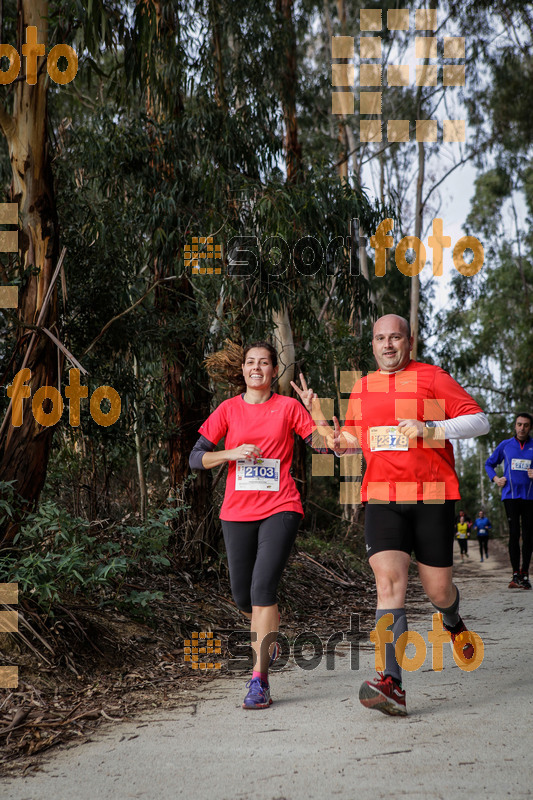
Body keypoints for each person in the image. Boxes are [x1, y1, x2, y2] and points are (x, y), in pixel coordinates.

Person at [294, 314, 490, 716]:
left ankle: (452, 620)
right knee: (389, 586)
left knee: (438, 592)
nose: (387, 344)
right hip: (382, 498)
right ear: (373, 345)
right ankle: (392, 683)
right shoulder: (363, 388)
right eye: (381, 338)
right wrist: (317, 419)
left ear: (409, 341)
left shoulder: (432, 377)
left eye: (395, 337)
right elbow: (347, 443)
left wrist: (429, 428)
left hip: (433, 496)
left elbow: (480, 421)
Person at [189, 341, 317, 709]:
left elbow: (324, 447)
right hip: (237, 512)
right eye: (250, 362)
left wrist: (317, 413)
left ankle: (258, 681)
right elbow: (196, 458)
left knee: (263, 589)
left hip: (281, 506)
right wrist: (231, 451)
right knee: (243, 596)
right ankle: (270, 634)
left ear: (274, 370)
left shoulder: (289, 407)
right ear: (242, 370)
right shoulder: (228, 409)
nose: (256, 368)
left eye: (264, 363)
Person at [485, 413, 533, 589]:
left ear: (530, 427)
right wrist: (496, 479)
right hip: (510, 496)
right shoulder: (505, 445)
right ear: (515, 426)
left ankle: (525, 573)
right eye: (519, 424)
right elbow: (489, 464)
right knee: (514, 533)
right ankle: (515, 574)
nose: (522, 428)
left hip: (530, 497)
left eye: (526, 425)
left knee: (528, 535)